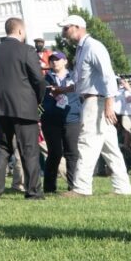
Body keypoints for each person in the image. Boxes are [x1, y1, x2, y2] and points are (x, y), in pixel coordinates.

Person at [58, 15, 131, 197]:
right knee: (111, 148)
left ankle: (82, 188)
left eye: (66, 28)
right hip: (96, 101)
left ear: (77, 27)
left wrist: (109, 103)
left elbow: (108, 75)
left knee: (87, 143)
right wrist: (63, 90)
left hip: (96, 102)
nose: (63, 33)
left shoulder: (93, 47)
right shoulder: (82, 49)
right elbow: (85, 81)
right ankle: (123, 188)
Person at [0, 18, 47, 200]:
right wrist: (38, 99)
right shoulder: (27, 50)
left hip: (0, 107)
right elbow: (39, 79)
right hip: (25, 107)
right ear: (20, 31)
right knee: (29, 149)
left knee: (2, 148)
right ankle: (33, 190)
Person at [40, 53, 81, 193]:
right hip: (51, 120)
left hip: (72, 118)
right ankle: (49, 188)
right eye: (52, 60)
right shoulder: (45, 79)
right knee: (54, 153)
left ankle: (74, 186)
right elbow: (38, 98)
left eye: (57, 59)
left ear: (65, 61)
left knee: (72, 153)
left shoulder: (75, 77)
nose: (54, 62)